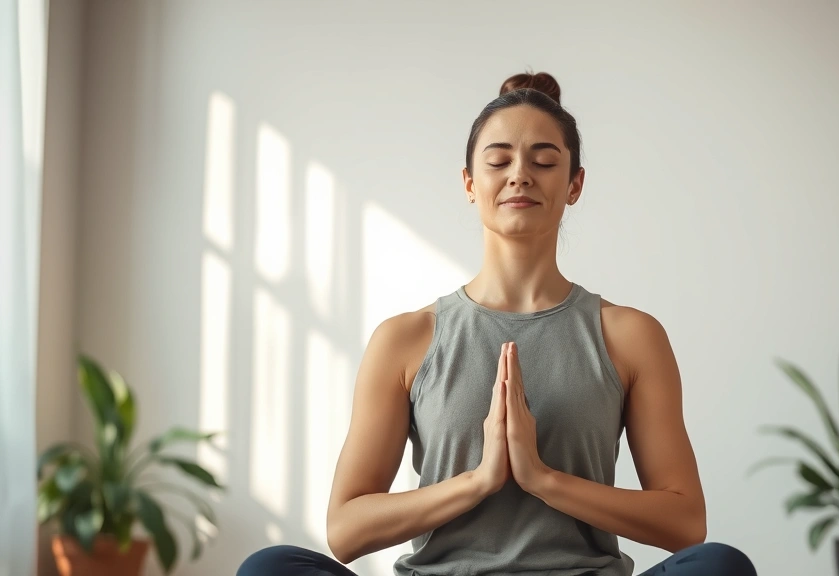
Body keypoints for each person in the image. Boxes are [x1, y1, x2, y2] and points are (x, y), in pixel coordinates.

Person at [238, 72, 756, 576]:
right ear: (470, 183)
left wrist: (542, 478)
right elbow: (346, 531)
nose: (520, 175)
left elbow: (686, 524)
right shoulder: (405, 339)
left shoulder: (630, 336)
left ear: (575, 184)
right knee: (271, 568)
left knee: (719, 567)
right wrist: (479, 481)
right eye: (498, 160)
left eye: (545, 161)